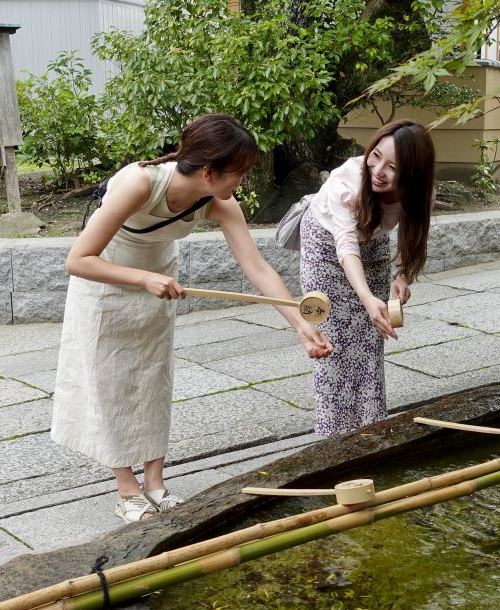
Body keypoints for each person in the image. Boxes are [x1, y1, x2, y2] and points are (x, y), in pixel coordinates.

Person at [52, 113, 333, 523]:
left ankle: (156, 484)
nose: (242, 181)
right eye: (239, 173)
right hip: (107, 282)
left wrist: (300, 326)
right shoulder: (140, 183)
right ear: (207, 171)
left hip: (159, 281)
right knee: (111, 382)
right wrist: (144, 278)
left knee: (152, 377)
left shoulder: (217, 201)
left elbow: (256, 268)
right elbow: (77, 260)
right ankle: (127, 491)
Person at [299, 119, 436, 435]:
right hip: (325, 245)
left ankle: (370, 432)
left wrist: (402, 278)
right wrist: (366, 297)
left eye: (393, 167)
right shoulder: (345, 180)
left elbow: (413, 234)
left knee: (370, 339)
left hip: (372, 243)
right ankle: (332, 441)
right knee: (333, 342)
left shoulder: (419, 191)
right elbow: (345, 243)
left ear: (412, 174)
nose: (378, 171)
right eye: (376, 156)